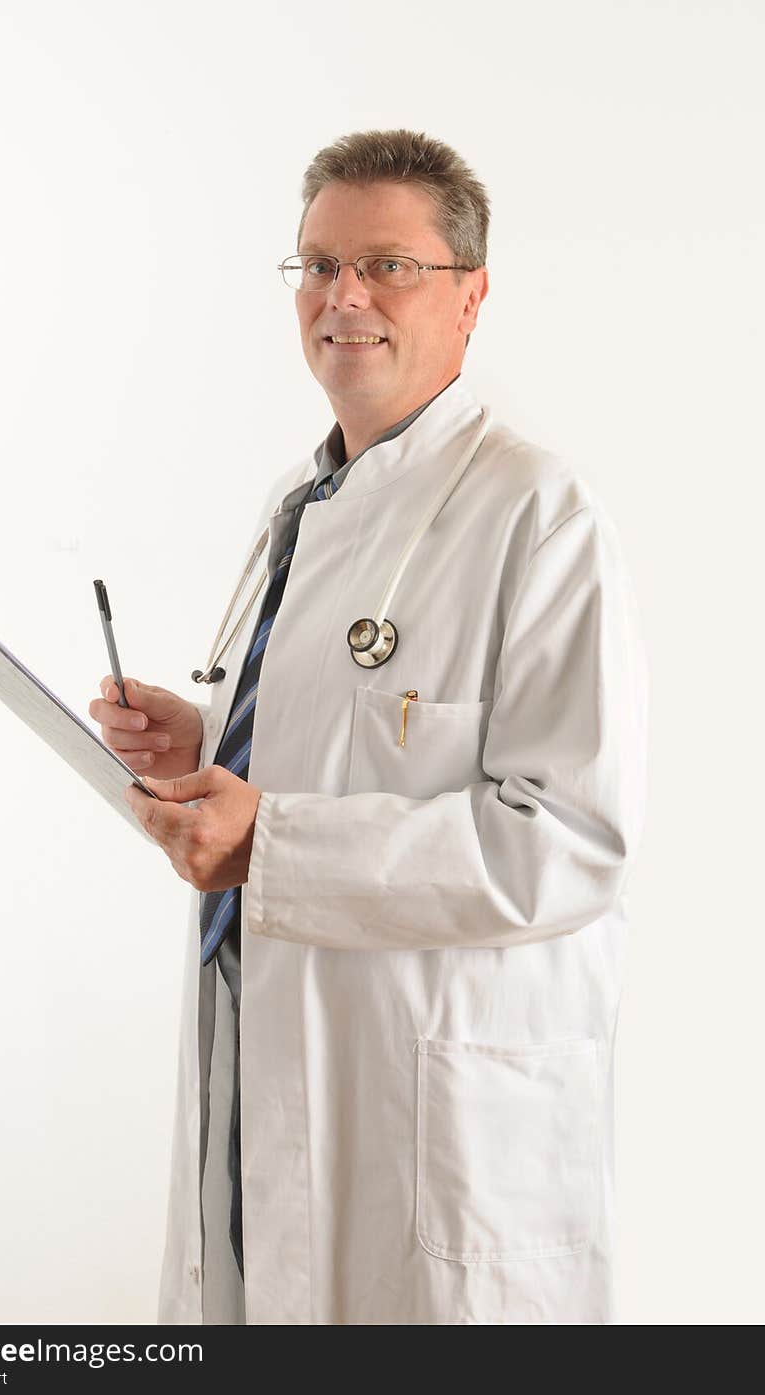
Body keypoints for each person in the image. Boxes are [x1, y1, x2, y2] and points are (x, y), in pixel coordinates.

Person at [88, 128, 648, 1325]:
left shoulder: (536, 515)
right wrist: (206, 748)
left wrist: (272, 845)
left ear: (470, 296)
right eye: (316, 266)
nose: (342, 296)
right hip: (274, 1050)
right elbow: (347, 741)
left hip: (436, 1121)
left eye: (387, 265)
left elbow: (572, 841)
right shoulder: (305, 504)